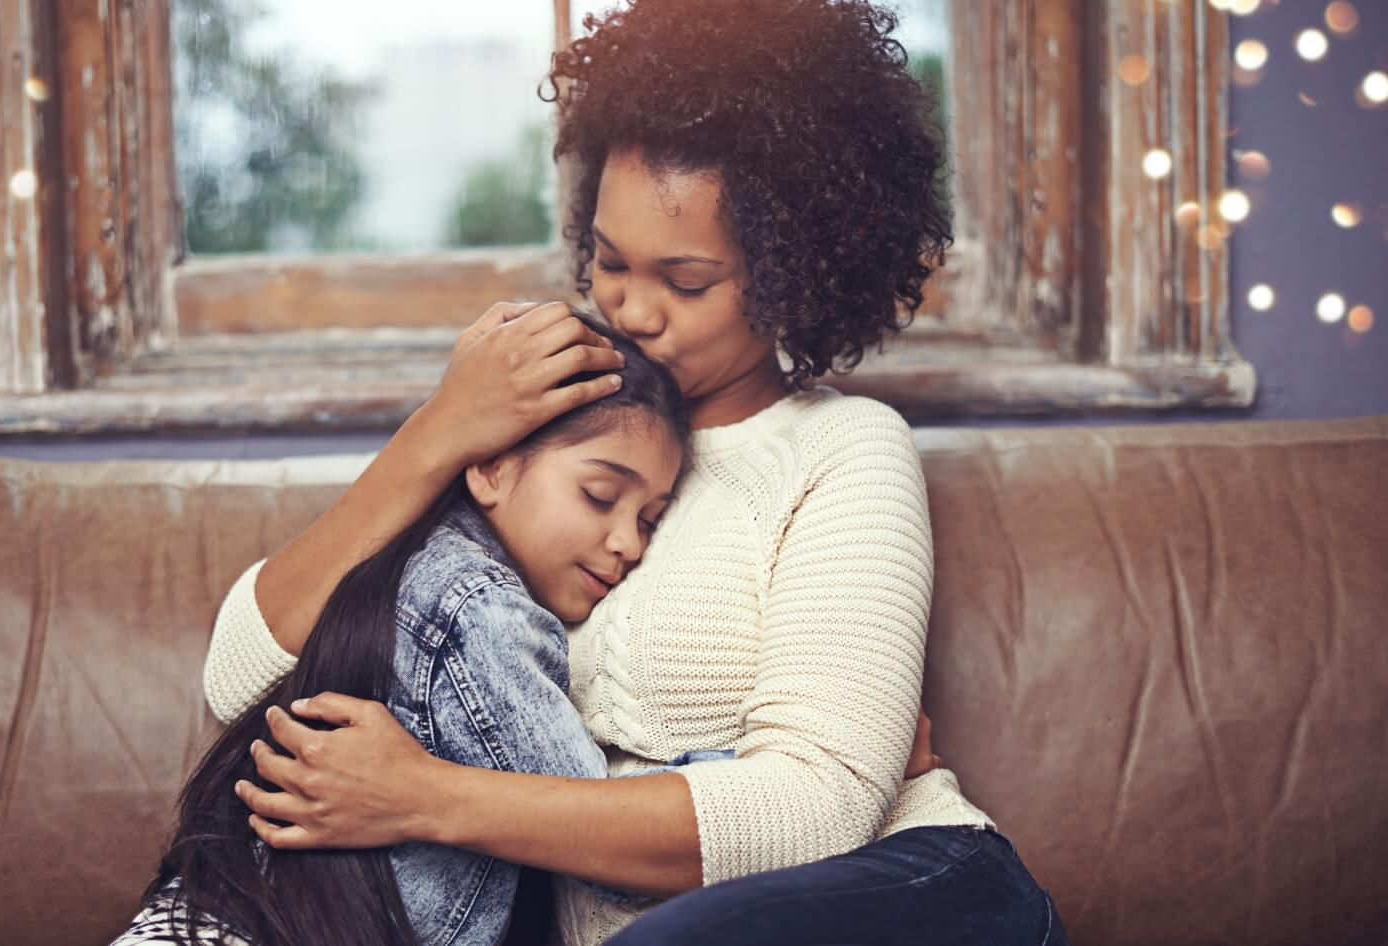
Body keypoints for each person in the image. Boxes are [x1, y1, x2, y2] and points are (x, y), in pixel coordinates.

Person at [201, 1, 1072, 944]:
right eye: (610, 262)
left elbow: (814, 813)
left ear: (798, 273)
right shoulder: (532, 433)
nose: (632, 309)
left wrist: (428, 799)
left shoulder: (845, 447)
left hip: (911, 894)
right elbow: (238, 677)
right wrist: (439, 433)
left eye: (686, 282)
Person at [115, 318, 694, 946]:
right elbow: (597, 838)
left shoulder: (410, 568)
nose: (627, 542)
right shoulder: (479, 609)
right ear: (492, 468)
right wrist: (743, 781)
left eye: (651, 520)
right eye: (600, 495)